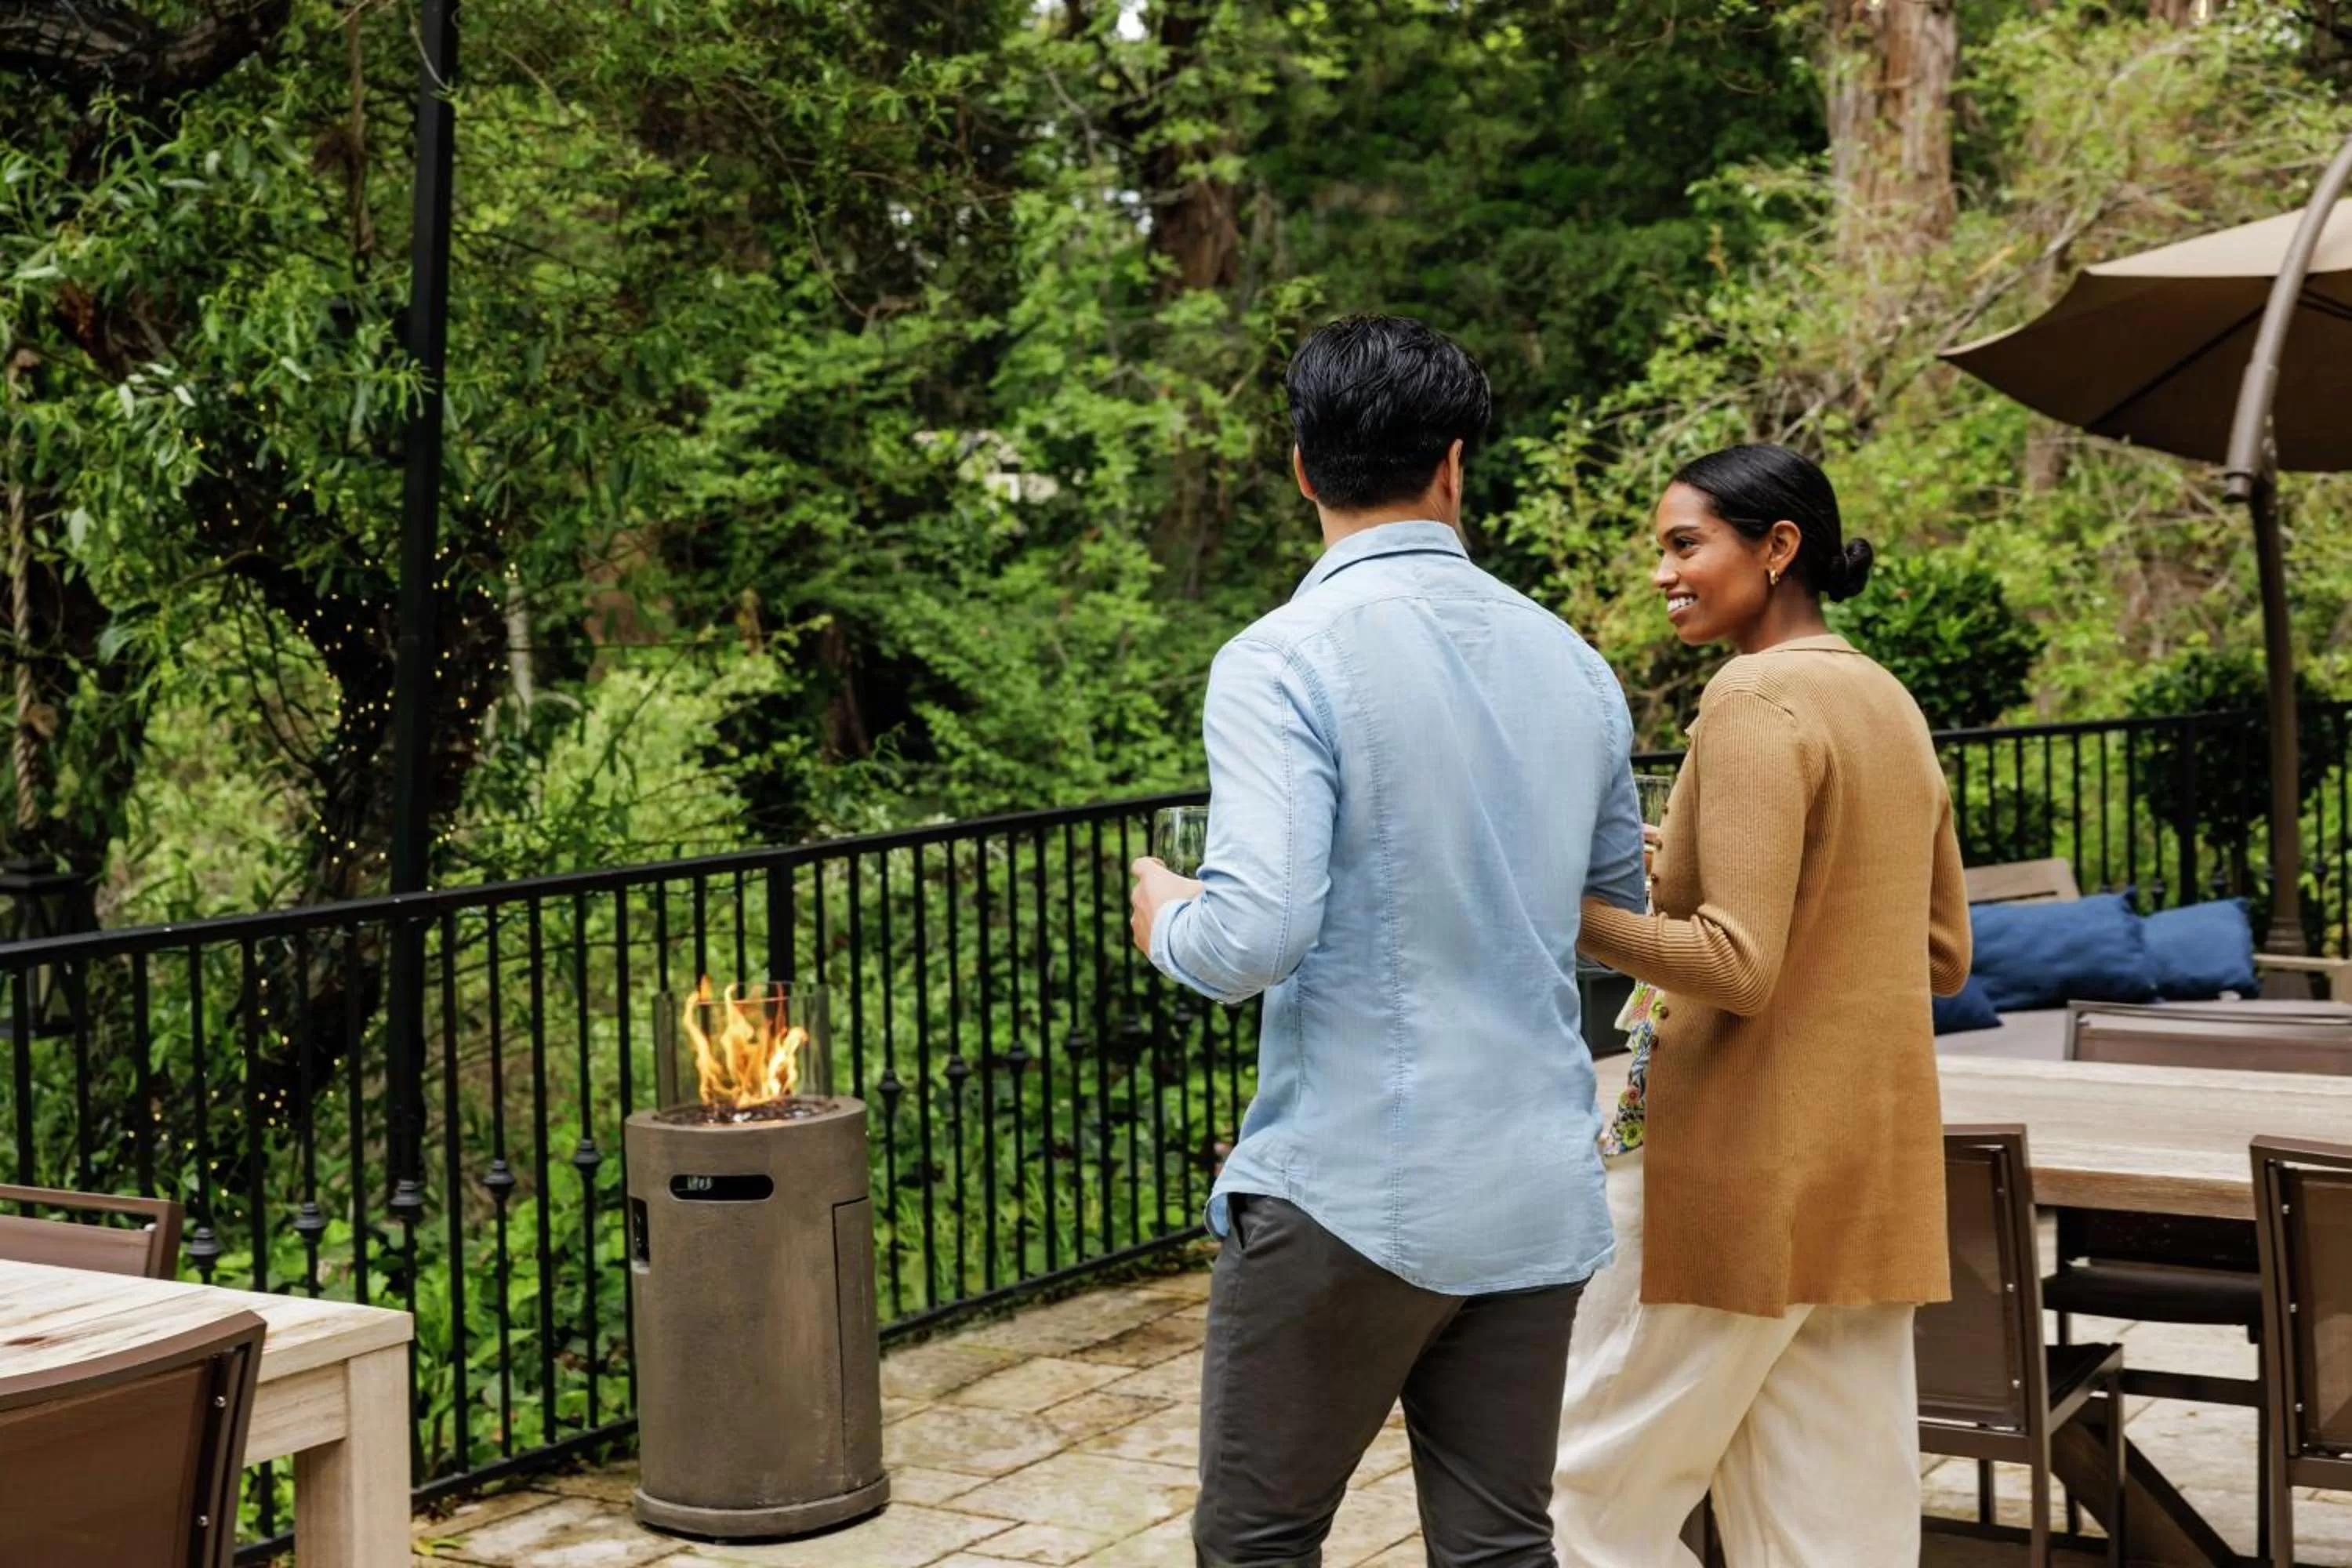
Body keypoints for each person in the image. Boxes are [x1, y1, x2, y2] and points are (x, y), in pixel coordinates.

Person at [1128, 314, 1646, 1568]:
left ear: (1303, 467)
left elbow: (1252, 935)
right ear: (1456, 466)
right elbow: (1615, 925)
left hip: (1348, 1186)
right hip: (1533, 1182)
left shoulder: (1278, 660)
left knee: (1258, 1545)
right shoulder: (1576, 668)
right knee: (1503, 1550)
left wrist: (1165, 914)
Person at [1550, 443, 1973, 1566]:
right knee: (1835, 1536)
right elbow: (1940, 952)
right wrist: (1680, 857)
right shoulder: (1886, 699)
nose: (1663, 573)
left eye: (1686, 544)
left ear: (1776, 547)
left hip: (1726, 1180)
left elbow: (1736, 966)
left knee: (1579, 1502)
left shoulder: (1750, 700)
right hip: (1861, 1186)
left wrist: (1558, 903)